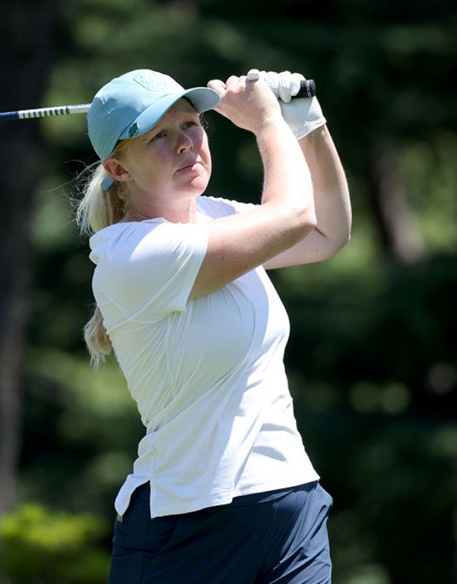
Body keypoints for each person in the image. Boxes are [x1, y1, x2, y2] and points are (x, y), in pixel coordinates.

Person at [75, 68, 351, 583]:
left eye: (191, 125)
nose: (186, 145)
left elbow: (325, 231)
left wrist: (305, 119)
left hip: (291, 498)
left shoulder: (217, 216)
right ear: (119, 167)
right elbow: (292, 214)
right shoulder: (129, 255)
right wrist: (267, 120)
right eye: (160, 136)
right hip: (189, 522)